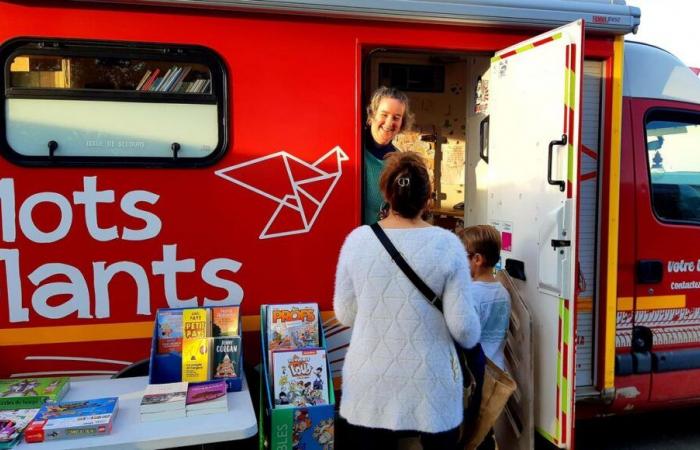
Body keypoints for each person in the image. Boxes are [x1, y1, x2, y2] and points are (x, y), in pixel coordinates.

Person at [334, 151, 481, 450]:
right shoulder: (448, 245)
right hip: (431, 381)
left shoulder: (357, 241)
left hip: (370, 381)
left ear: (386, 193)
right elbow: (464, 329)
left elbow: (345, 314)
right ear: (428, 197)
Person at [459, 224, 512, 450]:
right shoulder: (502, 290)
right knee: (484, 428)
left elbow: (464, 335)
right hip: (496, 369)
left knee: (469, 431)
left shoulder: (471, 294)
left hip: (476, 372)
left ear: (477, 259)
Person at [363, 86, 414, 224]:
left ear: (402, 123)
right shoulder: (354, 152)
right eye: (384, 115)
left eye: (396, 117)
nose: (389, 123)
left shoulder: (401, 163)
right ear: (372, 115)